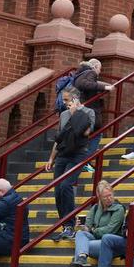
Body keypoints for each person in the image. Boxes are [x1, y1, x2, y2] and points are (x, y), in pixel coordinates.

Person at [60, 181, 126, 267]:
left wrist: (93, 230)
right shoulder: (95, 208)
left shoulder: (119, 209)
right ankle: (81, 258)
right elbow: (88, 227)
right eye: (105, 197)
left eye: (110, 195)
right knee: (81, 234)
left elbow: (110, 230)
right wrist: (81, 227)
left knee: (82, 245)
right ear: (99, 197)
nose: (109, 198)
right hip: (96, 241)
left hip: (110, 245)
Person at [45, 88, 93, 239]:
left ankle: (70, 224)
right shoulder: (63, 114)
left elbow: (86, 133)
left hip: (78, 153)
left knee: (66, 185)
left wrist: (75, 114)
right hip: (62, 153)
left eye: (66, 100)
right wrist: (51, 158)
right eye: (63, 100)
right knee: (58, 189)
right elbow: (59, 138)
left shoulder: (88, 112)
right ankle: (65, 225)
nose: (64, 103)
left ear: (76, 99)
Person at [72, 58, 115, 163]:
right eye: (100, 68)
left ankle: (80, 160)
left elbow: (86, 83)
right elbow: (85, 84)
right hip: (89, 110)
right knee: (97, 133)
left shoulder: (81, 73)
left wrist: (105, 85)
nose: (100, 71)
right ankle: (86, 161)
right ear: (95, 67)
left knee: (85, 135)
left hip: (81, 109)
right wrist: (105, 88)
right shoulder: (91, 72)